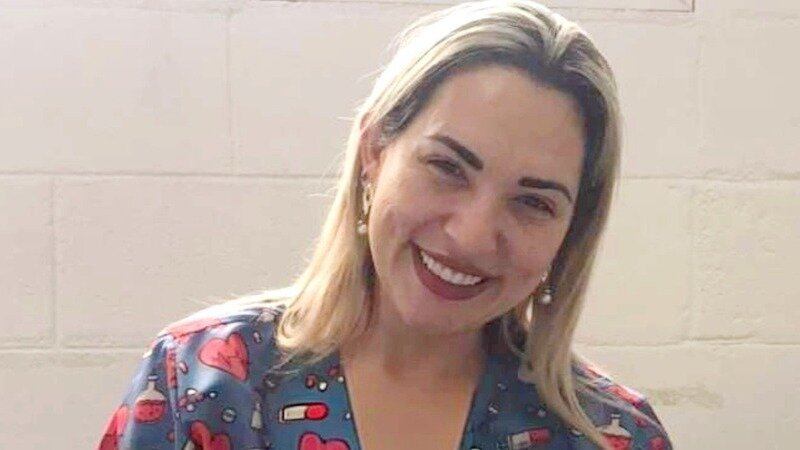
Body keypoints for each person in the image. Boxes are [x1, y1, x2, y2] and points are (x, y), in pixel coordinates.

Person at [98, 1, 673, 449]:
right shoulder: (199, 380)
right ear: (375, 151)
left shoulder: (613, 435)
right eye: (447, 167)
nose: (472, 236)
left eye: (533, 202)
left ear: (571, 231)